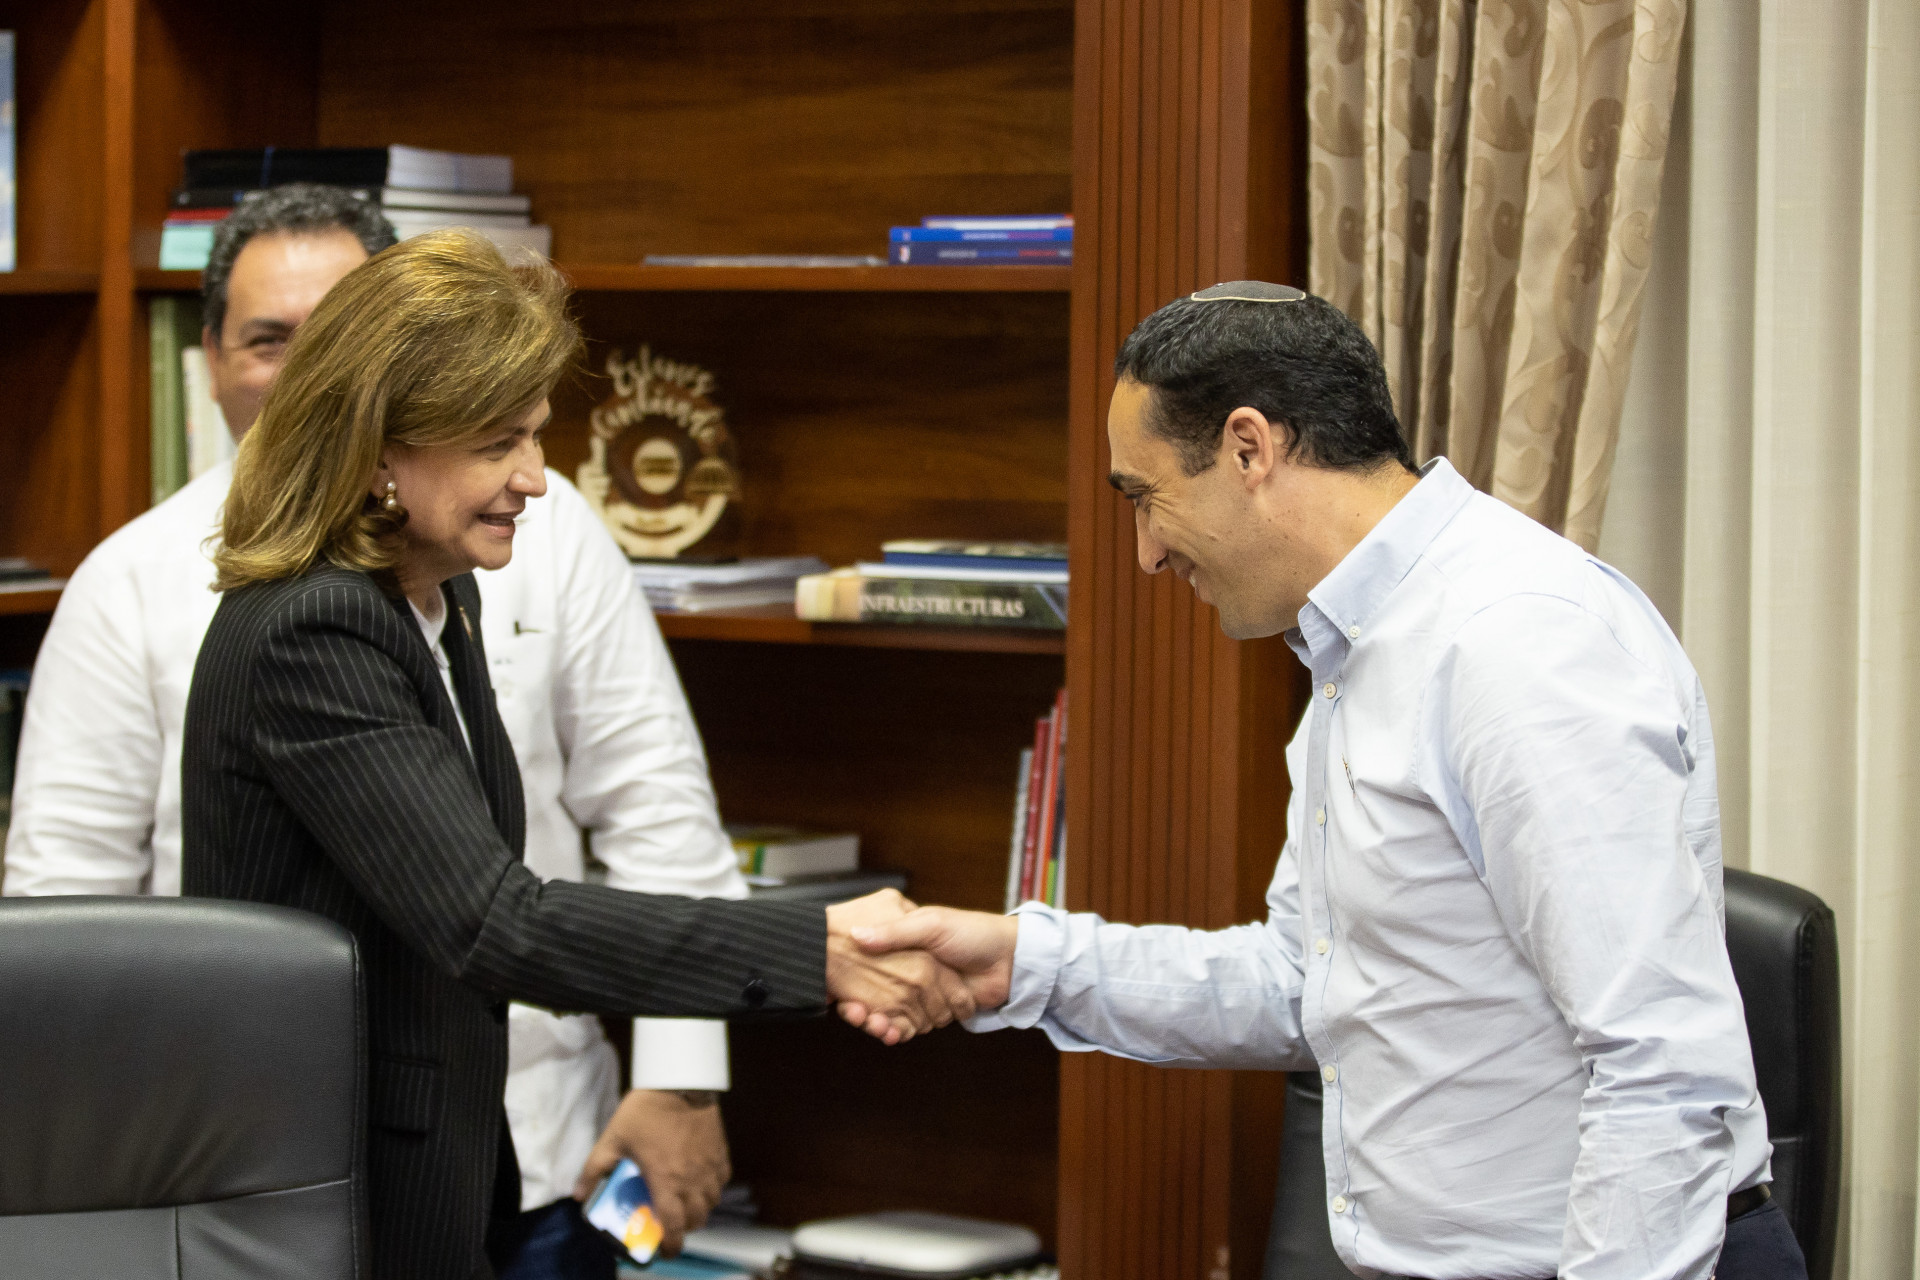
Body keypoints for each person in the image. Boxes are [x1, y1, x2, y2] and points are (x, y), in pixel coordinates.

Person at [847, 283, 1807, 1280]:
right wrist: (1023, 965)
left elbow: (1661, 1060)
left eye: (1145, 496)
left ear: (1249, 448)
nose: (1146, 553)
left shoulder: (1515, 639)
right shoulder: (1361, 650)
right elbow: (1305, 985)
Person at [193, 228, 969, 1279]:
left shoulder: (437, 597)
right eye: (496, 444)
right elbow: (492, 919)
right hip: (326, 1206)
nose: (535, 478)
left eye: (534, 435)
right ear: (378, 452)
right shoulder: (312, 629)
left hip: (448, 1180)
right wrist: (817, 949)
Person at [6, 185, 742, 1274]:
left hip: (548, 1140)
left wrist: (681, 1077)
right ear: (210, 360)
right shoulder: (135, 579)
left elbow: (657, 808)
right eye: (270, 340)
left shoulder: (531, 527)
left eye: (342, 328)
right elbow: (68, 914)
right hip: (289, 1168)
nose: (314, 369)